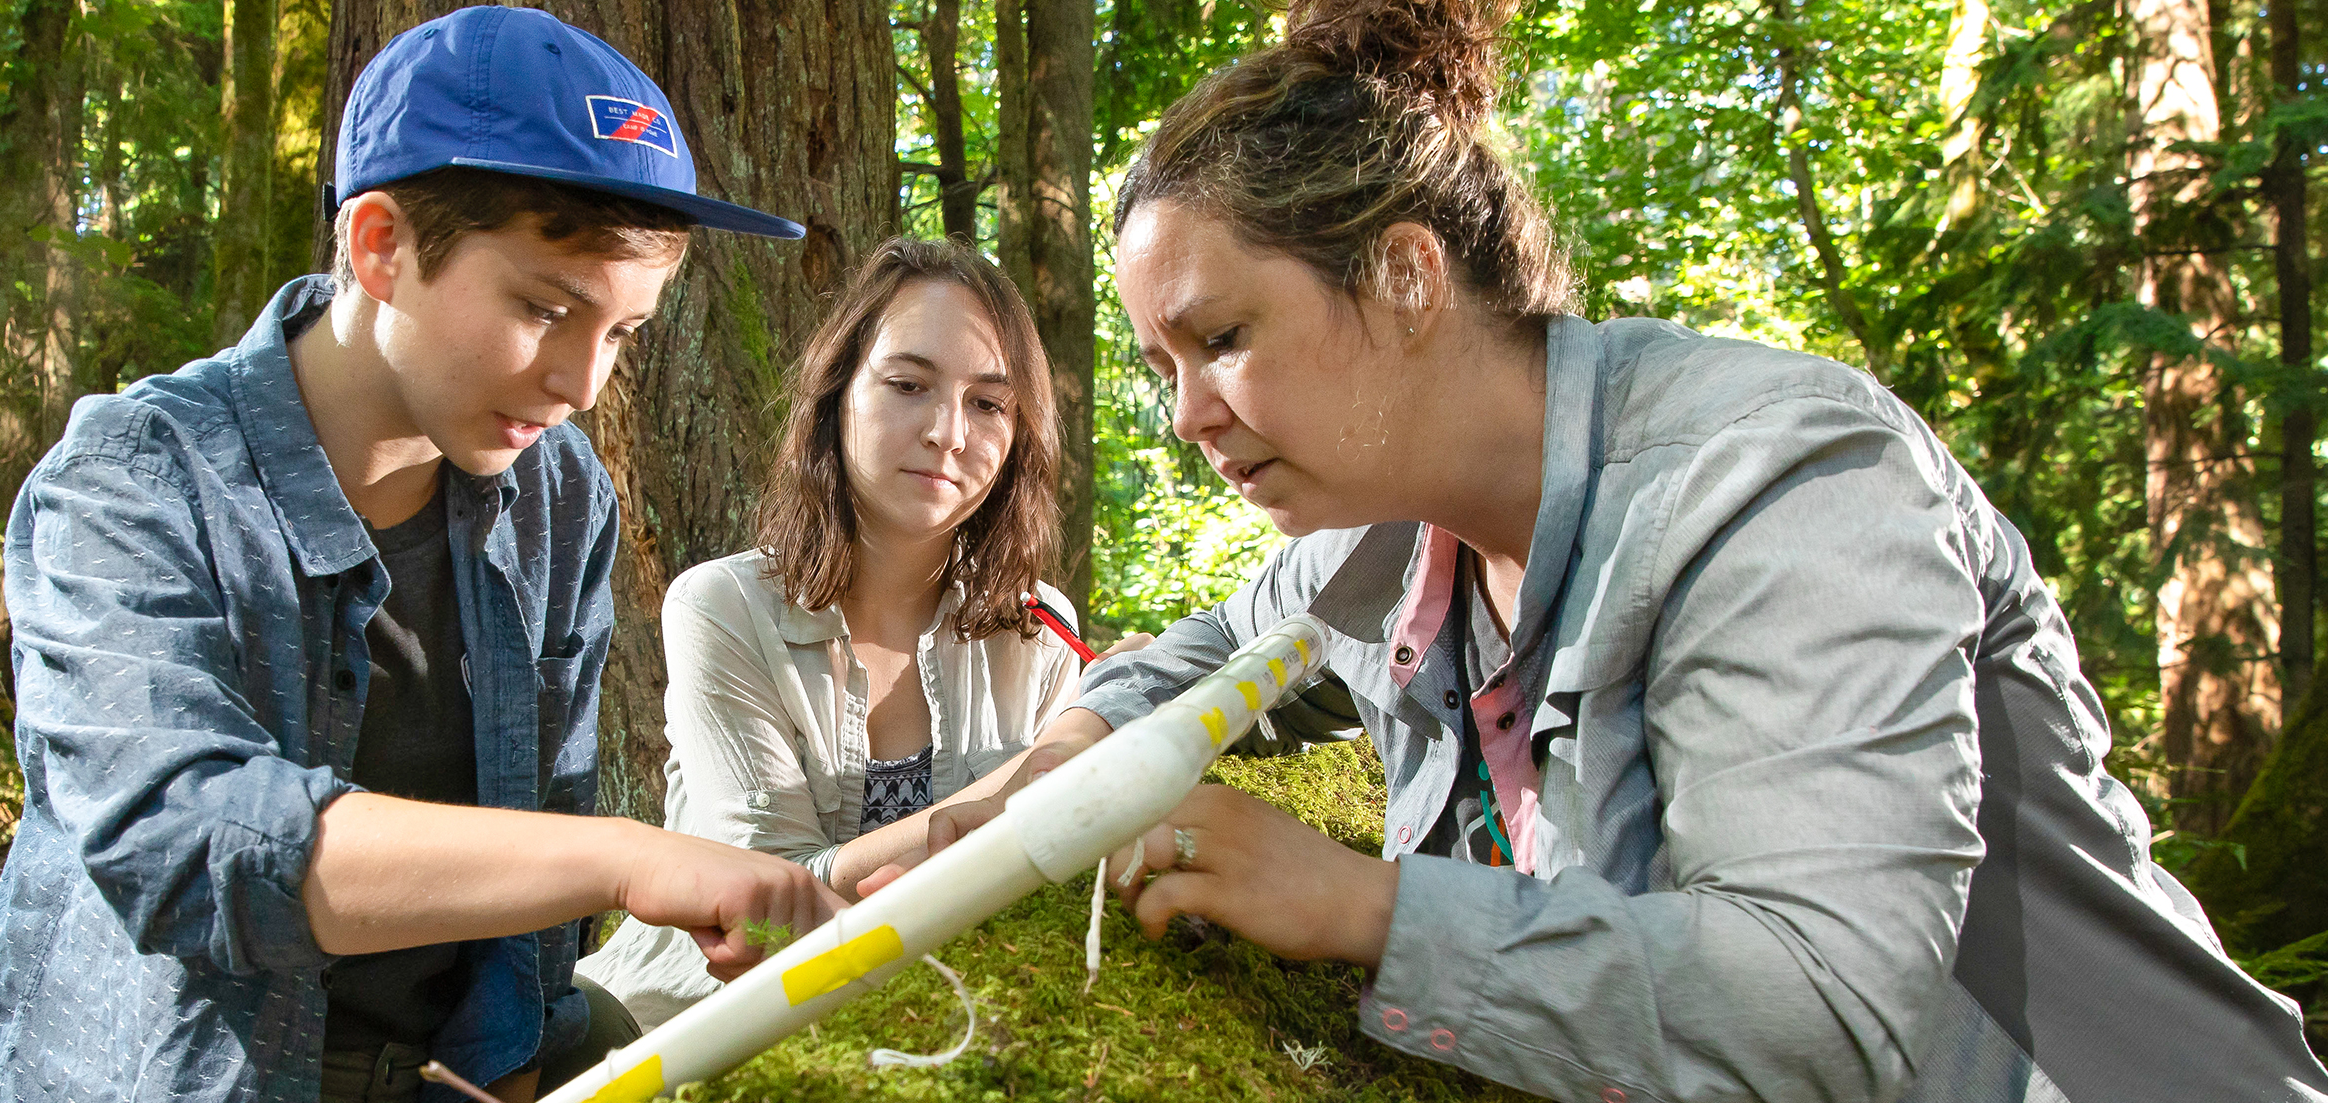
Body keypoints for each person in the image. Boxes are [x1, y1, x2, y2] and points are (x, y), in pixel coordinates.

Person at [920, 1, 2328, 1100]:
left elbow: (1822, 1008)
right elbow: (1216, 645)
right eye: (1162, 361)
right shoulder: (1383, 540)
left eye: (1220, 338)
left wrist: (1365, 906)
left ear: (1405, 276)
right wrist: (1064, 751)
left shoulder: (1783, 486)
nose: (1183, 413)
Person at [0, 9, 839, 1103]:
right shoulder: (136, 478)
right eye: (544, 308)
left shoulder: (558, 495)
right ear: (380, 246)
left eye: (622, 333)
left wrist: (517, 1057)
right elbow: (185, 838)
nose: (582, 383)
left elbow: (536, 858)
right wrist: (629, 857)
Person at [577, 239, 1083, 1027]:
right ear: (835, 395)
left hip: (926, 1037)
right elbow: (774, 906)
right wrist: (1033, 776)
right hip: (685, 1039)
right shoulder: (720, 608)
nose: (948, 432)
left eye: (988, 403)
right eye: (909, 385)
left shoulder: (1038, 629)